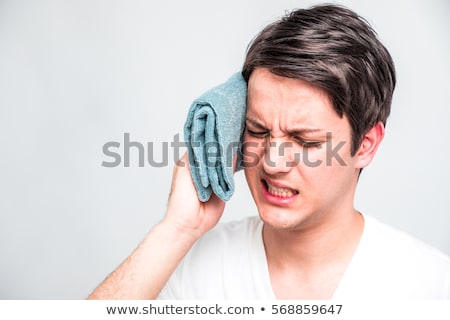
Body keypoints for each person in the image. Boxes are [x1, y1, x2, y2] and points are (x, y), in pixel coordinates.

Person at [88, 4, 450, 299]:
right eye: (257, 130)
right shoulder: (192, 269)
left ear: (366, 145)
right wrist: (179, 229)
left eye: (305, 141)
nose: (272, 162)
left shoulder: (430, 286)